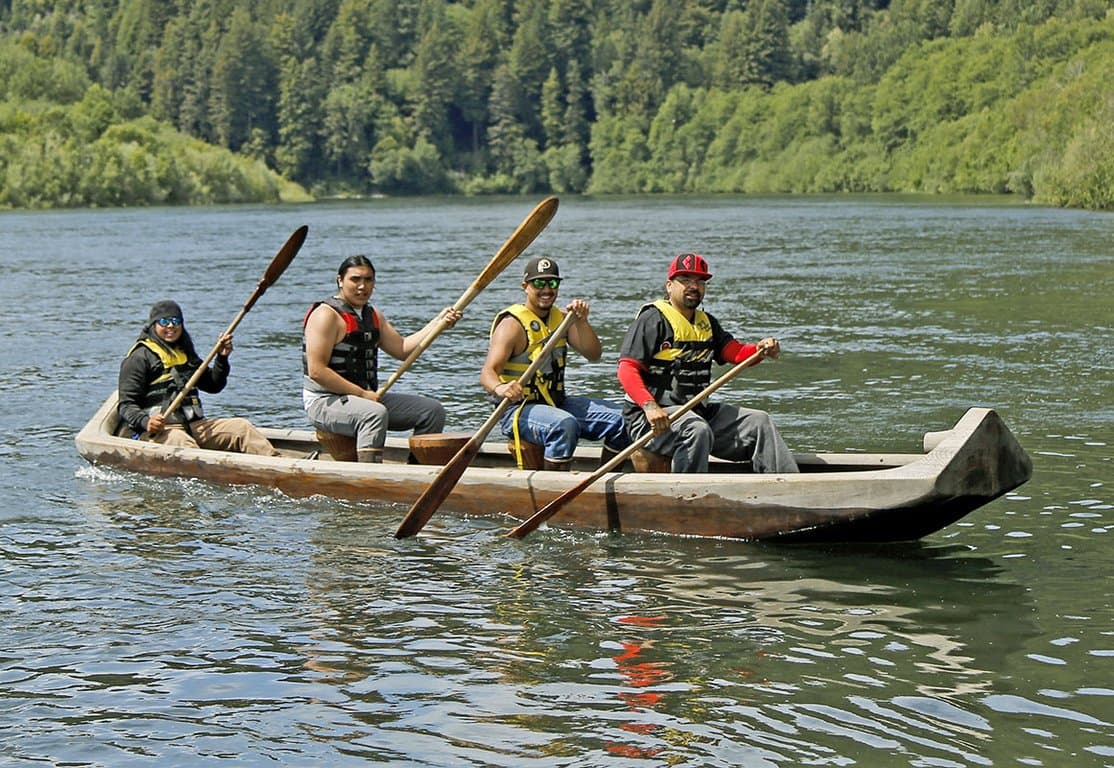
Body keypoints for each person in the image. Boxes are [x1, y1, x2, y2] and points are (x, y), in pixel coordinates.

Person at [616, 253, 799, 474]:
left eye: (700, 281)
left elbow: (737, 353)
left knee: (760, 422)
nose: (694, 286)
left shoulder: (708, 323)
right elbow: (627, 370)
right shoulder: (651, 320)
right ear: (669, 286)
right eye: (685, 280)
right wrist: (650, 406)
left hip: (697, 413)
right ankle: (688, 497)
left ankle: (785, 485)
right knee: (696, 430)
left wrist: (760, 349)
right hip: (650, 420)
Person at [303, 255, 462, 463]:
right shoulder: (326, 315)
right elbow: (317, 371)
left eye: (368, 280)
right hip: (324, 401)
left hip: (366, 398)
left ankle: (419, 473)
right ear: (340, 280)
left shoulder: (372, 315)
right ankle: (368, 480)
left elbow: (403, 349)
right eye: (355, 279)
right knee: (374, 414)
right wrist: (361, 393)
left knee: (432, 411)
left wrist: (438, 323)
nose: (362, 286)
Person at [480, 256, 629, 471]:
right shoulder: (511, 325)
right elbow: (487, 373)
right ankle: (554, 487)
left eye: (552, 283)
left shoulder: (563, 320)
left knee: (623, 419)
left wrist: (582, 321)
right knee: (563, 424)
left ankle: (601, 479)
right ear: (525, 286)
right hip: (517, 409)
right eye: (539, 283)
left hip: (556, 403)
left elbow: (593, 354)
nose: (546, 289)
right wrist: (500, 387)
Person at [117, 300, 280, 456]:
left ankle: (276, 463)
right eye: (164, 322)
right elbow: (125, 406)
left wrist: (222, 358)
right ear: (154, 325)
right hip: (159, 433)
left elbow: (213, 385)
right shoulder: (139, 358)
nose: (171, 326)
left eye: (176, 321)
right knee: (181, 442)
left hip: (194, 426)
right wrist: (147, 422)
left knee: (241, 427)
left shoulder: (185, 353)